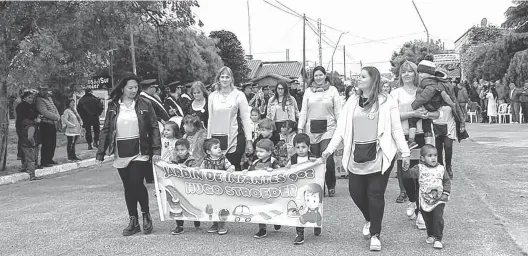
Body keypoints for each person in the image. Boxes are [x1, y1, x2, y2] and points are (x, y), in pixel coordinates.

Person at [321, 66, 411, 252]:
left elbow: (395, 129)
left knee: (375, 194)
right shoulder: (352, 101)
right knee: (356, 193)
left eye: (363, 76)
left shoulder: (387, 101)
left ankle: (375, 234)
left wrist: (405, 152)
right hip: (357, 156)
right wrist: (329, 150)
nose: (358, 79)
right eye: (358, 76)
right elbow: (341, 129)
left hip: (380, 154)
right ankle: (370, 219)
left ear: (373, 80)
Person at [96, 74, 161, 236]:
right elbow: (106, 129)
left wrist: (156, 150)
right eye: (130, 87)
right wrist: (100, 152)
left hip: (140, 151)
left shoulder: (145, 104)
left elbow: (154, 127)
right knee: (128, 186)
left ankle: (146, 215)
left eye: (136, 87)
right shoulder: (113, 106)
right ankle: (133, 220)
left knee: (136, 182)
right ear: (122, 88)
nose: (133, 90)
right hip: (121, 151)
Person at [390, 61, 440, 231]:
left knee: (421, 175)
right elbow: (393, 115)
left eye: (410, 71)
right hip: (403, 137)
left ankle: (421, 212)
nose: (406, 74)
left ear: (416, 73)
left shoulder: (425, 90)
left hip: (422, 136)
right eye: (403, 72)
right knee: (406, 175)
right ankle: (412, 200)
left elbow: (437, 112)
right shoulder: (395, 93)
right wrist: (413, 113)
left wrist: (427, 114)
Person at [298, 66, 342, 197]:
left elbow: (338, 111)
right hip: (311, 129)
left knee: (326, 158)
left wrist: (341, 127)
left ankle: (331, 184)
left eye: (320, 75)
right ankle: (319, 185)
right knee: (315, 160)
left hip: (329, 128)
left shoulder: (333, 90)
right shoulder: (308, 92)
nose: (318, 78)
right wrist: (300, 128)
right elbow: (304, 111)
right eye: (316, 76)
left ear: (325, 76)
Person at [207, 66, 253, 171]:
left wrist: (249, 140)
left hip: (234, 138)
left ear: (231, 79)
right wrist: (208, 140)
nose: (224, 79)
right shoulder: (212, 96)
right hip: (216, 139)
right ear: (218, 79)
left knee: (233, 169)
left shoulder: (239, 95)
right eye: (222, 77)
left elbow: (246, 119)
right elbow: (210, 119)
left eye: (227, 77)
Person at [407, 145, 451, 249]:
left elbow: (447, 181)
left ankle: (438, 238)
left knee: (438, 218)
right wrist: (405, 166)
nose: (433, 158)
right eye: (429, 155)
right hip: (425, 200)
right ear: (422, 158)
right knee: (428, 218)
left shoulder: (441, 169)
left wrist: (445, 193)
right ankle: (430, 234)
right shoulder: (419, 168)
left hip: (439, 200)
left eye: (435, 155)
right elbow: (410, 175)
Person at [407, 60, 456, 149]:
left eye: (422, 73)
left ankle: (411, 141)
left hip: (427, 107)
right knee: (427, 127)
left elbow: (425, 97)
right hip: (431, 108)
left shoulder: (429, 83)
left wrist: (414, 105)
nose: (420, 75)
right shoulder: (433, 82)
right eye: (419, 73)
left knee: (412, 120)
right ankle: (428, 146)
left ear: (429, 73)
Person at [246, 139, 281, 239]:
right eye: (257, 151)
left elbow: (281, 173)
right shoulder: (256, 162)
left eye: (261, 151)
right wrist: (245, 171)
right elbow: (250, 172)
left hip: (271, 190)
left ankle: (277, 220)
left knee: (273, 207)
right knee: (260, 209)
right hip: (259, 191)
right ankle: (262, 229)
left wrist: (273, 171)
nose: (258, 154)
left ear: (269, 152)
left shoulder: (273, 161)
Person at [289, 133, 318, 245]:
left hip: (311, 189)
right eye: (298, 147)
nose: (301, 150)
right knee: (299, 209)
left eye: (303, 147)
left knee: (313, 207)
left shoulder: (313, 158)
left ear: (308, 147)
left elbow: (319, 170)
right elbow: (288, 170)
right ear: (294, 148)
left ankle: (316, 224)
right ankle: (300, 233)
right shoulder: (293, 159)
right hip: (298, 189)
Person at [201, 138, 235, 235]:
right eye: (215, 148)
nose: (219, 149)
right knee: (212, 206)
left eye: (219, 147)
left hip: (221, 188)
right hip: (210, 189)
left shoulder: (223, 159)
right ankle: (215, 224)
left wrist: (231, 169)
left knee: (221, 207)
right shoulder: (206, 161)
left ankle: (222, 225)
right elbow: (200, 171)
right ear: (208, 151)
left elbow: (230, 166)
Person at [170, 138, 201, 235]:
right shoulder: (174, 160)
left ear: (188, 149)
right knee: (177, 205)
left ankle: (196, 218)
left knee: (192, 204)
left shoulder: (192, 160)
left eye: (182, 150)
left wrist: (187, 168)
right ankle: (180, 225)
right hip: (178, 188)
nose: (179, 152)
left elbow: (196, 173)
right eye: (177, 150)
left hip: (189, 188)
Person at [17, 91, 41, 180]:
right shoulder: (22, 107)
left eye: (32, 97)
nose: (31, 99)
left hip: (24, 140)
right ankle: (32, 175)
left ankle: (24, 168)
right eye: (29, 97)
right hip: (28, 142)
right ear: (24, 98)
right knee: (31, 159)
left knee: (27, 157)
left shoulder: (31, 107)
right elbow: (30, 137)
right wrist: (34, 143)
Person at [35, 85, 60, 167]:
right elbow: (44, 112)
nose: (45, 92)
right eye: (43, 90)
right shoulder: (39, 100)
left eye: (46, 90)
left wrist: (58, 116)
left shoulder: (49, 98)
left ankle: (50, 158)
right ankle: (44, 160)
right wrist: (56, 117)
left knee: (53, 142)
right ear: (40, 91)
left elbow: (54, 108)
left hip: (52, 123)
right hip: (45, 123)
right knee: (47, 143)